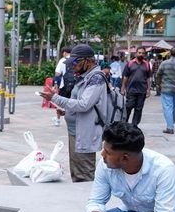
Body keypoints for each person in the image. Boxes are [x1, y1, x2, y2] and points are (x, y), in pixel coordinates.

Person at [39, 44, 109, 182]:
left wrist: (55, 98)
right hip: (76, 130)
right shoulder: (85, 76)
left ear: (88, 61)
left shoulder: (96, 78)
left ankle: (87, 201)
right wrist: (66, 110)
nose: (73, 66)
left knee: (84, 174)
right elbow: (80, 102)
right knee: (77, 173)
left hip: (85, 131)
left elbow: (84, 104)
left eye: (76, 63)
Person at [155, 48, 175, 134]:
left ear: (170, 54)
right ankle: (171, 124)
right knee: (174, 108)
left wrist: (158, 84)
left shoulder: (164, 63)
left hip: (166, 88)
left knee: (168, 107)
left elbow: (158, 75)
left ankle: (170, 127)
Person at [121, 48, 151, 127]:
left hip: (142, 90)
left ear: (144, 54)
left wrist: (148, 89)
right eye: (139, 53)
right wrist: (123, 88)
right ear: (136, 54)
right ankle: (125, 124)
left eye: (143, 53)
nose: (141, 54)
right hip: (131, 90)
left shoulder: (147, 64)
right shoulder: (130, 63)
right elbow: (125, 77)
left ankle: (134, 125)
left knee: (139, 109)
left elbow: (148, 78)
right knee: (128, 107)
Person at [52, 47, 73, 126]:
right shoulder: (75, 60)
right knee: (72, 103)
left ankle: (57, 120)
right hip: (74, 86)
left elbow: (57, 73)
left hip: (64, 85)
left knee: (59, 103)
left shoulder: (62, 60)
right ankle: (72, 120)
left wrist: (56, 83)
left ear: (64, 52)